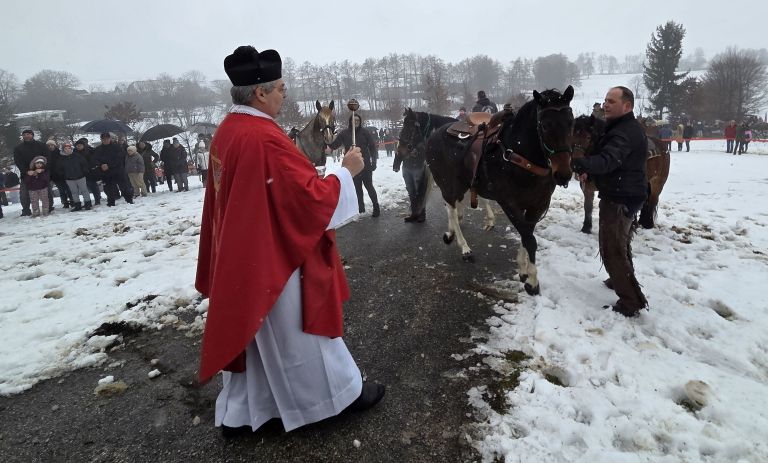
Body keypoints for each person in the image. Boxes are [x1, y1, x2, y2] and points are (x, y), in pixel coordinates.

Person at [196, 45, 384, 437]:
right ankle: (334, 398)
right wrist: (346, 174)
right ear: (260, 92)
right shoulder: (263, 138)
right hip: (275, 257)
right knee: (299, 336)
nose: (286, 95)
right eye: (281, 88)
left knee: (257, 339)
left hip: (244, 252)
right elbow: (309, 201)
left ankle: (249, 410)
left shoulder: (229, 131)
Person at [571, 86, 648, 317]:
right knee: (618, 245)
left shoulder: (625, 132)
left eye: (612, 101)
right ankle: (619, 281)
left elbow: (608, 160)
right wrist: (591, 173)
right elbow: (611, 165)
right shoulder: (617, 128)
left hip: (621, 197)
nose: (605, 105)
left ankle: (630, 302)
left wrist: (582, 164)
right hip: (619, 193)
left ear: (627, 106)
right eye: (605, 100)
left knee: (612, 249)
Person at [328, 113, 380, 217]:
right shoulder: (344, 133)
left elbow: (373, 148)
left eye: (357, 120)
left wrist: (374, 162)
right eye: (353, 120)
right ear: (350, 121)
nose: (356, 122)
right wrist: (328, 137)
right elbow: (334, 145)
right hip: (352, 167)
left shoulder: (365, 132)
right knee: (357, 188)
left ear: (360, 122)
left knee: (369, 186)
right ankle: (361, 208)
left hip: (365, 165)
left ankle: (376, 207)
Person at [13, 129, 47, 216]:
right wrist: (27, 171)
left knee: (46, 191)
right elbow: (18, 161)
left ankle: (48, 208)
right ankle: (26, 210)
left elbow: (47, 158)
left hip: (42, 172)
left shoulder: (41, 145)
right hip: (26, 174)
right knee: (24, 194)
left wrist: (43, 169)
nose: (26, 136)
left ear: (32, 135)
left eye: (28, 134)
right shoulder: (18, 148)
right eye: (24, 135)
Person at [393, 139, 428, 223]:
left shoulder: (419, 134)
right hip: (406, 168)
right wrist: (396, 164)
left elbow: (425, 150)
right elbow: (399, 150)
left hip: (418, 167)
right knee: (411, 192)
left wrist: (417, 151)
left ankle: (421, 213)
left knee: (420, 192)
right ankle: (414, 213)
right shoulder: (403, 136)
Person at [94, 132, 133, 206]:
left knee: (124, 187)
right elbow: (95, 160)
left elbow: (120, 158)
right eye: (103, 139)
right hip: (106, 173)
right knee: (109, 189)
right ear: (101, 139)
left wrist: (109, 165)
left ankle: (129, 200)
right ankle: (111, 202)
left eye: (107, 139)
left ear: (109, 139)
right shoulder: (98, 149)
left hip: (118, 171)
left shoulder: (117, 147)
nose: (105, 140)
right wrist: (101, 165)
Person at [57, 140, 92, 211]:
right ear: (63, 149)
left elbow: (84, 164)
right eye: (66, 148)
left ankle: (88, 204)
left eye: (69, 148)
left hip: (80, 177)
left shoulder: (77, 155)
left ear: (71, 148)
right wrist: (64, 175)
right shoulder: (61, 158)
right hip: (69, 178)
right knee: (74, 192)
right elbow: (59, 168)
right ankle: (77, 205)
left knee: (84, 190)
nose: (67, 150)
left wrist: (84, 172)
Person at [75, 138, 102, 205]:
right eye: (77, 145)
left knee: (93, 186)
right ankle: (87, 201)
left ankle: (97, 199)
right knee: (84, 189)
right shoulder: (74, 152)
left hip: (90, 171)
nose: (78, 147)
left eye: (80, 145)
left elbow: (94, 160)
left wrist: (90, 167)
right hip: (80, 173)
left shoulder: (90, 150)